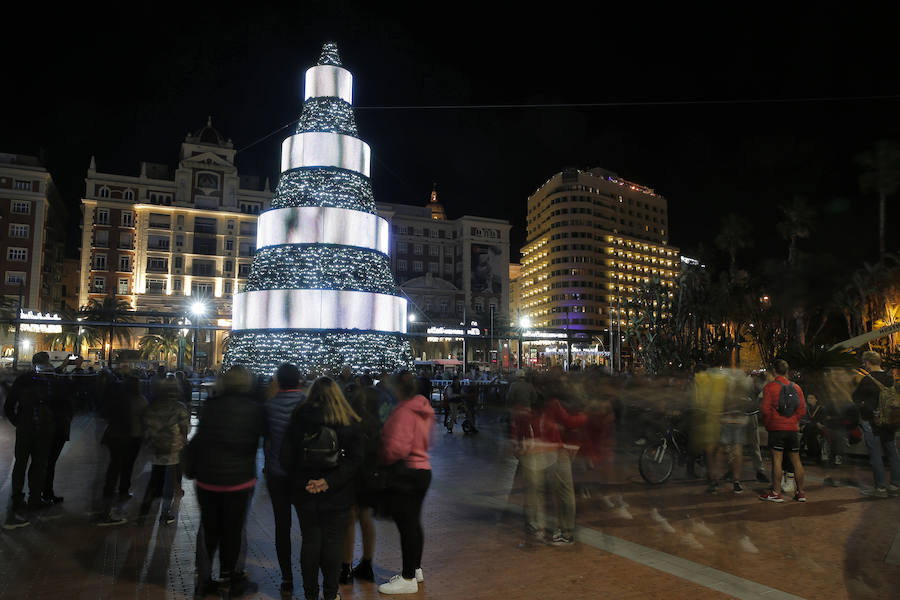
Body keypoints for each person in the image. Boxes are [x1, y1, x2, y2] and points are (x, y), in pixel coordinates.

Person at [283, 377, 363, 600]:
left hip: (305, 492)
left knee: (310, 541)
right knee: (333, 542)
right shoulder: (347, 420)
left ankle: (310, 594)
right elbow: (356, 459)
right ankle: (330, 594)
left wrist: (305, 482)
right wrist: (329, 481)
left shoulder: (298, 418)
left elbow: (286, 457)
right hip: (337, 492)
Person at [192, 366, 265, 599]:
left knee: (209, 529)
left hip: (208, 479)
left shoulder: (211, 405)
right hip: (239, 481)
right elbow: (259, 439)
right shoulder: (254, 409)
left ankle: (204, 580)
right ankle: (232, 577)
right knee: (234, 530)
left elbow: (200, 438)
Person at [377, 372, 434, 595]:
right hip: (423, 469)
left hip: (406, 472)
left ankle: (408, 577)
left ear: (399, 389)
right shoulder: (423, 408)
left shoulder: (403, 411)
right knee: (413, 523)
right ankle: (415, 569)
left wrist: (383, 454)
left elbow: (397, 448)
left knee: (407, 526)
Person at [262, 363, 306, 598]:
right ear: (299, 381)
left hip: (277, 474)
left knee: (282, 526)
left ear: (278, 382)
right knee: (308, 526)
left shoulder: (269, 406)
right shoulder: (307, 405)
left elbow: (266, 439)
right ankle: (310, 574)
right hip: (302, 475)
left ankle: (287, 577)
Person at [3, 352, 57, 529]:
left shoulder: (35, 380)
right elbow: (9, 406)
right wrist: (19, 423)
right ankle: (25, 500)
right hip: (35, 428)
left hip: (33, 428)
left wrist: (18, 422)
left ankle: (27, 499)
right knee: (30, 464)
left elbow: (9, 406)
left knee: (31, 464)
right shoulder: (41, 380)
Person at [340, 383, 382, 585]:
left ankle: (346, 567)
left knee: (349, 519)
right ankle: (367, 563)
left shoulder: (348, 423)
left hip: (352, 477)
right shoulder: (375, 423)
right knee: (365, 517)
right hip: (370, 477)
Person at [97, 376, 148, 525]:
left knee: (115, 468)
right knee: (123, 467)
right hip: (129, 437)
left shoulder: (118, 399)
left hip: (114, 437)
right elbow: (145, 418)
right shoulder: (139, 400)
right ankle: (109, 509)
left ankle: (114, 498)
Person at [140, 378, 190, 525]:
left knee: (154, 480)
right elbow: (185, 428)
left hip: (156, 448)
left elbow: (146, 426)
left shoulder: (152, 406)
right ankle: (165, 513)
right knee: (168, 482)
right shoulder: (179, 407)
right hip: (173, 449)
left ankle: (143, 512)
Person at [853, 350, 900, 497]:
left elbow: (856, 398)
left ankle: (880, 488)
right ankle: (895, 485)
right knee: (892, 452)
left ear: (867, 363)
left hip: (872, 421)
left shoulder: (867, 380)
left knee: (875, 454)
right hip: (890, 420)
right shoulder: (890, 378)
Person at [759, 359, 807, 503]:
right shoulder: (796, 387)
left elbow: (765, 410)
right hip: (792, 429)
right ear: (787, 371)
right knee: (796, 460)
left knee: (777, 460)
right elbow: (802, 410)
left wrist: (769, 424)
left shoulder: (770, 387)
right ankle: (801, 493)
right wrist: (793, 420)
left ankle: (776, 492)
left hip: (776, 429)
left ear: (774, 371)